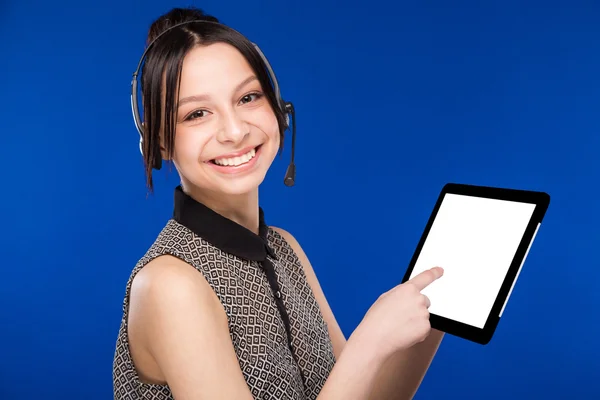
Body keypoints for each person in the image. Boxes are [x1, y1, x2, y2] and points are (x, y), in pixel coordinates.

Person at [113, 6, 445, 400]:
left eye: (248, 97)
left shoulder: (285, 250)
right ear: (160, 141)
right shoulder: (169, 285)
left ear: (280, 111)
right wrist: (369, 343)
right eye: (197, 113)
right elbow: (360, 365)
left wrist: (439, 304)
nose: (235, 131)